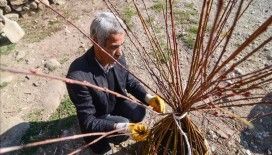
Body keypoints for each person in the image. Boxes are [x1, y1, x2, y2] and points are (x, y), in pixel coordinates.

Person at [66, 12, 165, 154]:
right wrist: (124, 127)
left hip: (114, 102)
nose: (120, 52)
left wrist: (148, 98)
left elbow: (128, 80)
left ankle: (118, 123)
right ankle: (105, 139)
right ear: (95, 42)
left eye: (121, 45)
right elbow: (88, 121)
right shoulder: (77, 77)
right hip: (97, 116)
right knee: (122, 128)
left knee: (139, 111)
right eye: (113, 47)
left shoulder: (117, 54)